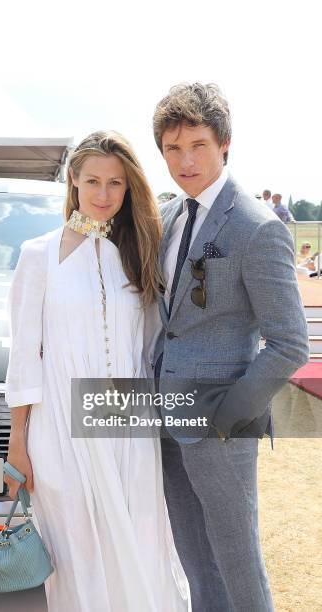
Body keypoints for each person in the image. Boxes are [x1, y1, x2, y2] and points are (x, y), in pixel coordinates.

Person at [4, 131, 190, 612]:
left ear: (129, 189)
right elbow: (24, 354)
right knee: (77, 553)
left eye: (116, 184)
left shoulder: (141, 252)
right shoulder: (37, 254)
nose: (104, 195)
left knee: (142, 545)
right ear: (73, 180)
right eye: (93, 181)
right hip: (60, 427)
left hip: (128, 421)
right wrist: (17, 441)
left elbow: (149, 345)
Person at [149, 83, 309, 611]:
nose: (185, 160)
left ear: (224, 144)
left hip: (219, 425)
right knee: (197, 565)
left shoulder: (255, 227)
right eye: (173, 148)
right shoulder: (171, 216)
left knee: (239, 570)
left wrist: (226, 417)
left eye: (197, 145)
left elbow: (289, 342)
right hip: (165, 413)